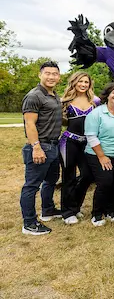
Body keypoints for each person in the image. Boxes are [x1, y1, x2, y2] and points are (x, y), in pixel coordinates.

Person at [20, 61, 63, 235]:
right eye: (48, 73)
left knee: (51, 180)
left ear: (59, 77)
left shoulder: (53, 95)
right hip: (40, 145)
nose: (51, 76)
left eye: (55, 74)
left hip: (54, 145)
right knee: (31, 186)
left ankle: (48, 210)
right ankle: (29, 223)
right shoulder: (34, 96)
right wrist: (36, 147)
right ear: (40, 75)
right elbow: (30, 124)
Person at [84, 82, 114, 226]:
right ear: (107, 95)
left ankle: (113, 210)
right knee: (105, 182)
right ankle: (97, 214)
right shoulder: (96, 113)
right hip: (98, 153)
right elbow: (91, 136)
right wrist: (102, 156)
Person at [59, 71, 100, 225]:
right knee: (68, 176)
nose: (83, 85)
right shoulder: (65, 101)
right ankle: (67, 212)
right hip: (68, 142)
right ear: (74, 83)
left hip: (87, 143)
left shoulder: (95, 101)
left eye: (86, 82)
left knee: (88, 175)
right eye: (80, 82)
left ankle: (75, 205)